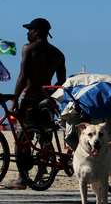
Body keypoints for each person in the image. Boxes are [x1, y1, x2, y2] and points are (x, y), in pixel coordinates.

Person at [3, 18, 66, 190]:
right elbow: (61, 81)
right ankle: (42, 172)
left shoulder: (28, 49)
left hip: (30, 97)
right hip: (46, 98)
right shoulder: (58, 54)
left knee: (23, 138)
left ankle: (23, 179)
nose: (27, 33)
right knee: (45, 136)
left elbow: (23, 76)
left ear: (37, 31)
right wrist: (51, 95)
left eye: (30, 30)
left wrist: (15, 100)